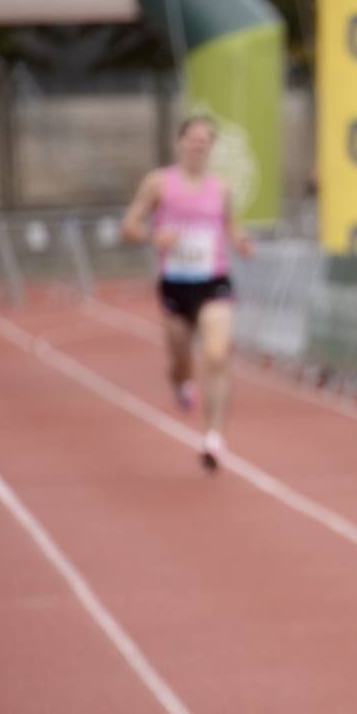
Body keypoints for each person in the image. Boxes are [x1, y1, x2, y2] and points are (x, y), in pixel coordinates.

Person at [123, 114, 252, 472]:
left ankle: (213, 437)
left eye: (205, 141)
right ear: (180, 142)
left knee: (216, 355)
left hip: (213, 282)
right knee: (181, 359)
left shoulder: (221, 188)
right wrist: (153, 237)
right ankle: (180, 381)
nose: (198, 146)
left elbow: (230, 226)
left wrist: (240, 242)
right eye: (192, 139)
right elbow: (130, 226)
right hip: (176, 285)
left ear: (211, 147)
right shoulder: (159, 183)